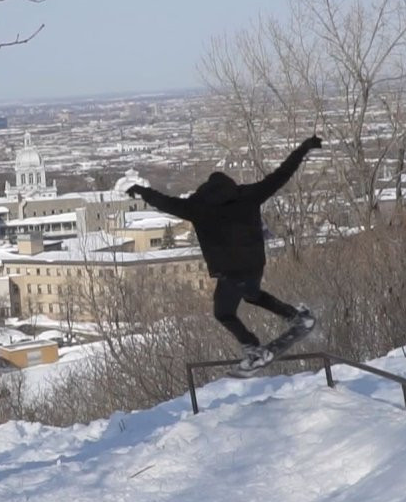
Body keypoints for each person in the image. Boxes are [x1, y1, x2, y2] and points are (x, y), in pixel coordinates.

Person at [126, 136, 321, 370]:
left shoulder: (197, 208)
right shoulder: (249, 196)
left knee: (224, 313)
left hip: (230, 272)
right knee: (252, 294)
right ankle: (295, 317)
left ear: (204, 190)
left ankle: (254, 348)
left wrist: (142, 191)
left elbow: (165, 202)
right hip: (254, 265)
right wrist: (303, 148)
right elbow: (281, 174)